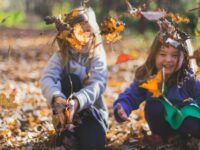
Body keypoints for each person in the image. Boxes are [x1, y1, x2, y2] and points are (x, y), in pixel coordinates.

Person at [113, 19, 200, 142]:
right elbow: (131, 95)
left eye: (174, 55)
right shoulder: (148, 76)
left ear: (184, 58)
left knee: (189, 116)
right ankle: (164, 138)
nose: (168, 59)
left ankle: (188, 140)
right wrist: (123, 107)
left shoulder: (190, 79)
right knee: (154, 105)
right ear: (154, 55)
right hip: (162, 127)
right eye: (163, 54)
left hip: (187, 126)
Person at [41, 7, 108, 150]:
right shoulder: (61, 57)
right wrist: (57, 98)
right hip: (65, 117)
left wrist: (78, 101)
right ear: (67, 34)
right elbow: (48, 78)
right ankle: (66, 134)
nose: (82, 37)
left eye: (87, 32)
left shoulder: (97, 57)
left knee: (93, 145)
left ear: (94, 33)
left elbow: (98, 84)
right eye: (77, 32)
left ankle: (85, 137)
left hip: (93, 114)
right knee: (71, 80)